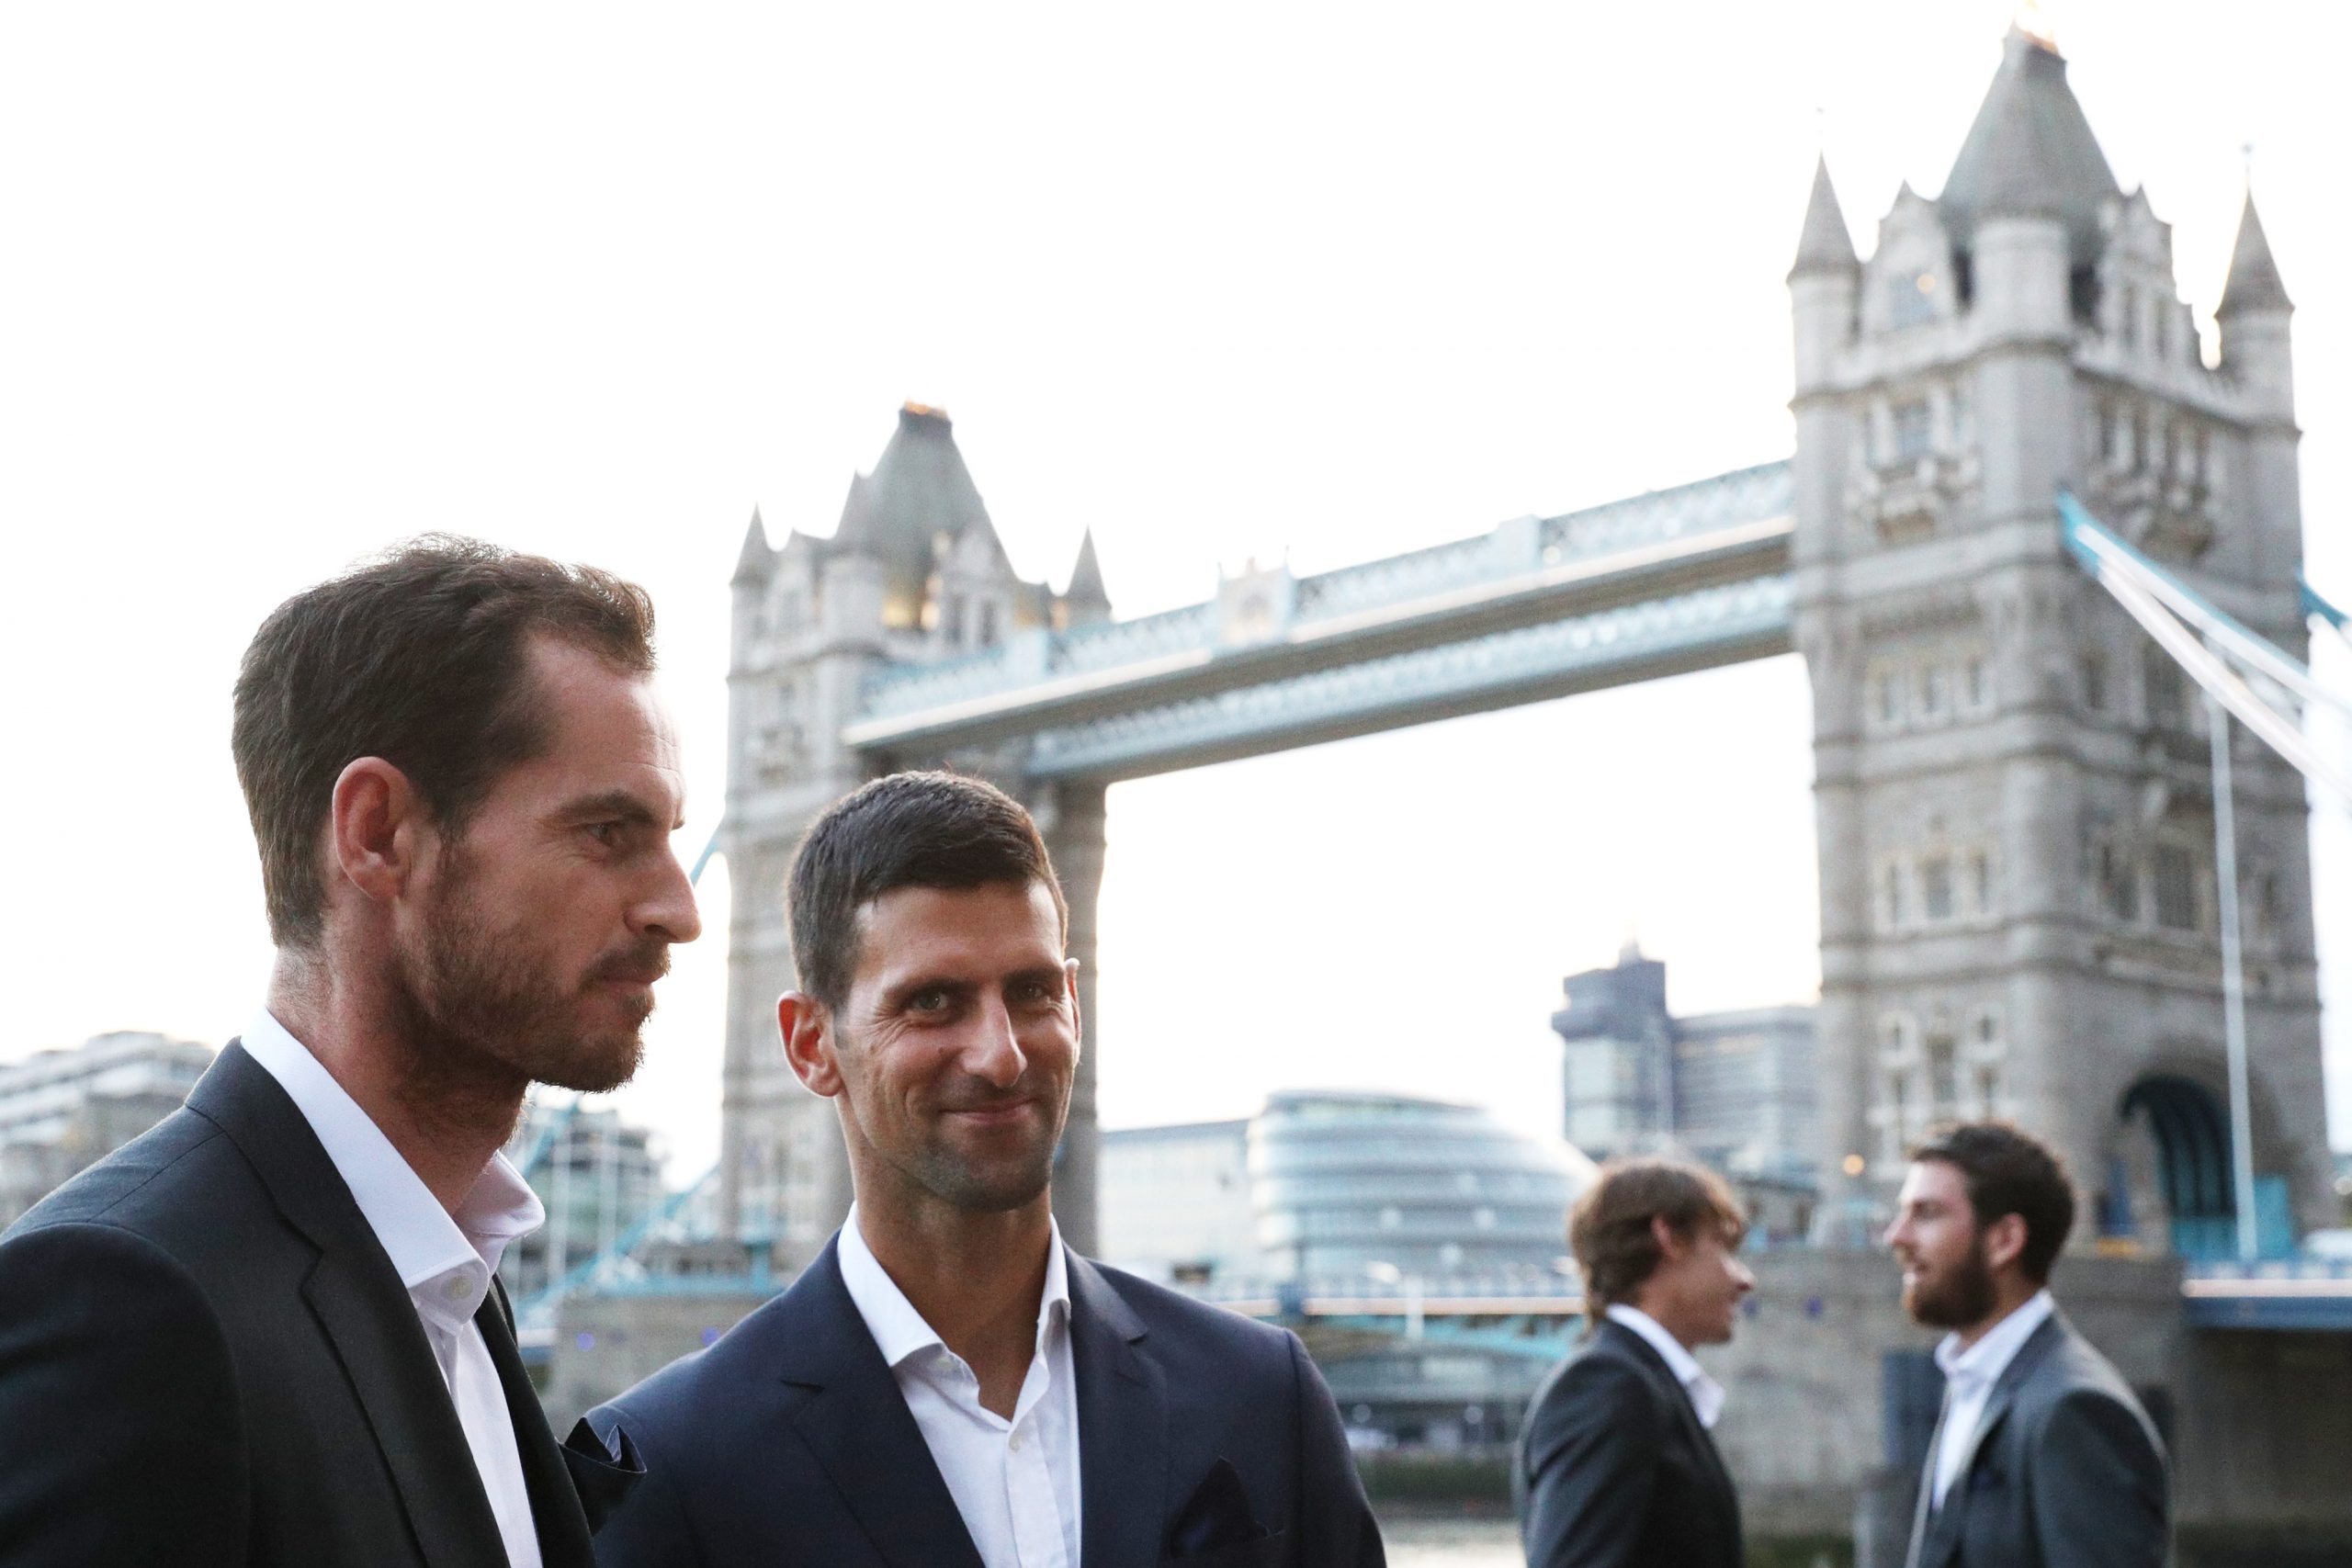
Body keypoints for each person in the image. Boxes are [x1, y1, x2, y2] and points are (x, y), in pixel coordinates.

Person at [0, 538, 701, 1565]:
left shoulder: (454, 1286)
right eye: (606, 831)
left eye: (673, 838)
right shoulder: (129, 1304)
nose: (679, 909)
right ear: (378, 836)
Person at [586, 770, 1385, 1568]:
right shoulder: (670, 1465)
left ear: (1074, 1001)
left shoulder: (1261, 1395)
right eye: (933, 1001)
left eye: (1032, 992)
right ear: (810, 1044)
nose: (1001, 1054)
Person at [1885, 1122, 2168, 1568]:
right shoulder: (1974, 1379)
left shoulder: (2076, 1409)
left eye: (1927, 1214)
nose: (1896, 1236)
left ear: (2004, 1241)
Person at [1514, 1156, 1752, 1568]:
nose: (1744, 1279)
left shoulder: (1638, 1383)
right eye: (1723, 1248)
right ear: (1669, 1237)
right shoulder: (1610, 1386)